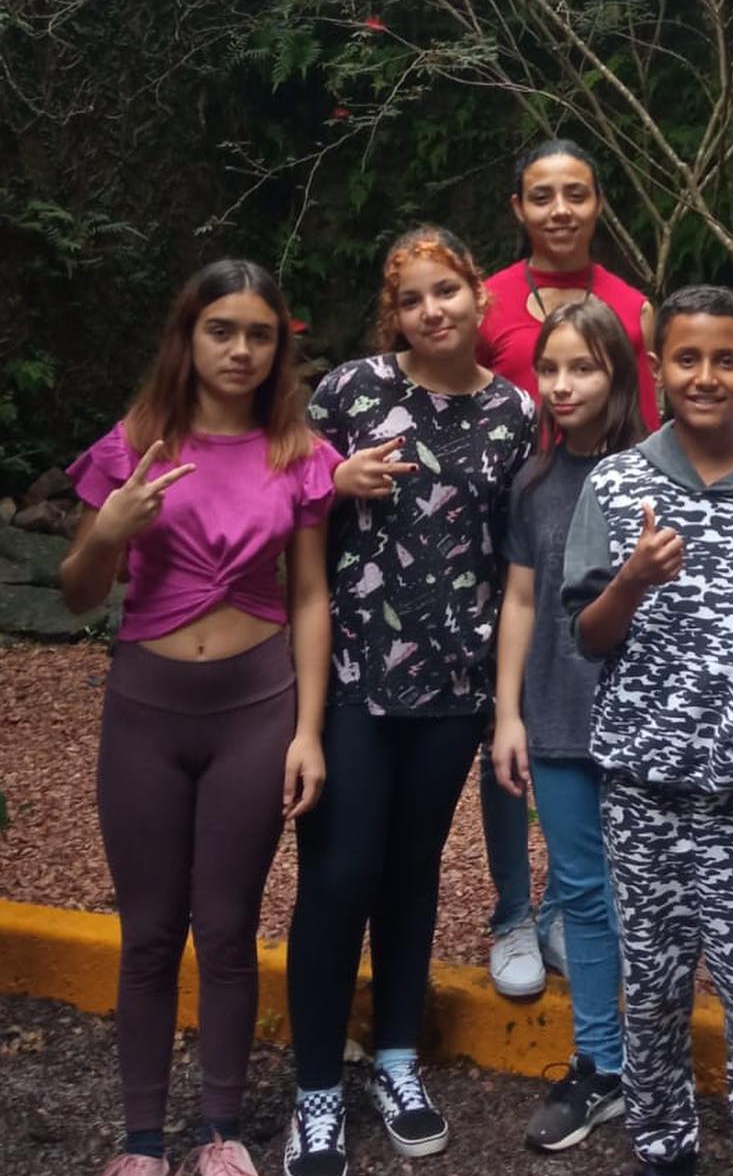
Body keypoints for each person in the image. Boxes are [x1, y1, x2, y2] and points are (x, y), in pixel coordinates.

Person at [61, 260, 337, 1176]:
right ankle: (142, 1141)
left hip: (255, 711)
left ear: (278, 346)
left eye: (260, 333)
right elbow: (77, 593)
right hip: (146, 709)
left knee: (225, 928)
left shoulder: (297, 451)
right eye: (222, 329)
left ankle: (222, 1131)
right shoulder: (136, 442)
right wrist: (111, 529)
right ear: (189, 336)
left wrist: (308, 729)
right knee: (148, 932)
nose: (241, 349)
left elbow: (309, 596)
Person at [283, 227, 535, 1176]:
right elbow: (288, 498)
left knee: (412, 873)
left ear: (478, 295)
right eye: (413, 298)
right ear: (395, 313)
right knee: (339, 872)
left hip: (454, 685)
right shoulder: (351, 392)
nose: (433, 310)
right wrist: (333, 478)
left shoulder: (514, 411)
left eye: (447, 291)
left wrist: (504, 702)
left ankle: (395, 1056)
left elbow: (512, 562)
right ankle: (315, 1090)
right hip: (353, 674)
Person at [561, 284, 733, 1176]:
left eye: (725, 359)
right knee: (653, 988)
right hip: (641, 789)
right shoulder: (617, 482)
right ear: (657, 369)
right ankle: (663, 1144)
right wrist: (632, 577)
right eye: (686, 358)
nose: (705, 376)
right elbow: (587, 635)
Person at [476, 137, 659, 997]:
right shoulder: (486, 301)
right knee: (510, 717)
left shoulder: (632, 306)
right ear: (518, 206)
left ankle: (567, 903)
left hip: (597, 518)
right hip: (508, 516)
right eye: (542, 194)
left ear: (598, 202)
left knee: (587, 718)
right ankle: (513, 908)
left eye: (576, 192)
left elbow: (648, 418)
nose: (560, 209)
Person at [492, 299, 646, 1151]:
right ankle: (600, 1064)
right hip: (555, 716)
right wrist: (507, 712)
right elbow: (519, 599)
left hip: (644, 719)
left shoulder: (657, 472)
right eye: (549, 367)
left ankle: (652, 1057)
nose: (561, 384)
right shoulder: (533, 483)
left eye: (582, 367)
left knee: (652, 896)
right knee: (583, 893)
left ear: (617, 372)